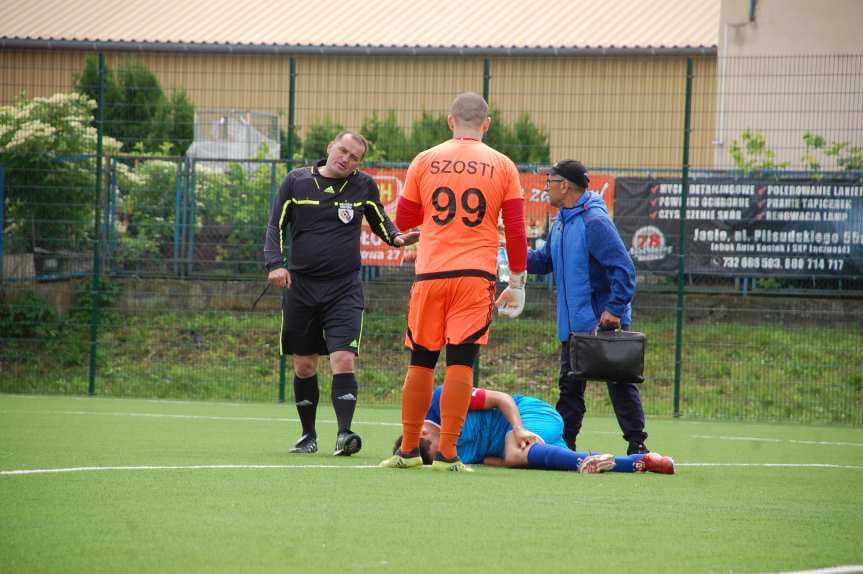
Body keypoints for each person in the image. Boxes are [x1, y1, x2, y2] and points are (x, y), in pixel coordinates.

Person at [380, 92, 528, 472]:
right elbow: (514, 230)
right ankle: (448, 454)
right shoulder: (503, 165)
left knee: (421, 361)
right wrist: (518, 282)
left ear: (450, 121)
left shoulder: (425, 159)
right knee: (461, 363)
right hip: (475, 276)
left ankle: (409, 450)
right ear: (486, 124)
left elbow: (407, 214)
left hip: (430, 273)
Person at [263, 131, 419, 456]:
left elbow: (380, 221)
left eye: (354, 157)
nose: (346, 159)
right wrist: (275, 264)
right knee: (304, 365)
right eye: (343, 151)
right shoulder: (296, 182)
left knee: (343, 359)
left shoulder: (363, 186)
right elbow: (275, 225)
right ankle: (308, 436)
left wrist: (398, 238)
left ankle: (344, 434)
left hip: (343, 288)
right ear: (330, 147)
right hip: (301, 288)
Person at [527, 160, 649, 455]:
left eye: (550, 181)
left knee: (620, 383)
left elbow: (623, 269)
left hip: (602, 323)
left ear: (565, 185)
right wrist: (510, 249)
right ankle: (565, 447)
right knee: (569, 388)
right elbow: (544, 262)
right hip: (573, 325)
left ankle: (638, 445)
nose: (546, 187)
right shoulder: (562, 221)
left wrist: (615, 310)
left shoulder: (594, 221)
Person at [384, 385, 674, 474]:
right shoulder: (446, 455)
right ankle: (643, 462)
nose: (448, 453)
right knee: (562, 462)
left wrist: (518, 431)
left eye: (438, 451)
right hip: (533, 445)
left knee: (514, 451)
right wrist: (514, 459)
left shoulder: (440, 399)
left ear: (423, 434)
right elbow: (485, 459)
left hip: (531, 415)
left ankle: (590, 461)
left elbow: (502, 399)